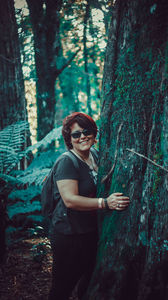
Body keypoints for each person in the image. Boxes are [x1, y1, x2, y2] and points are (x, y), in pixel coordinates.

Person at [48, 112, 130, 300]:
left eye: (86, 131)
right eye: (76, 134)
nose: (82, 136)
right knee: (62, 286)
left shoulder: (94, 154)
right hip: (68, 235)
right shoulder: (66, 162)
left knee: (88, 279)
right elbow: (70, 199)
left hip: (89, 231)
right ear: (69, 139)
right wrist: (105, 203)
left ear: (94, 133)